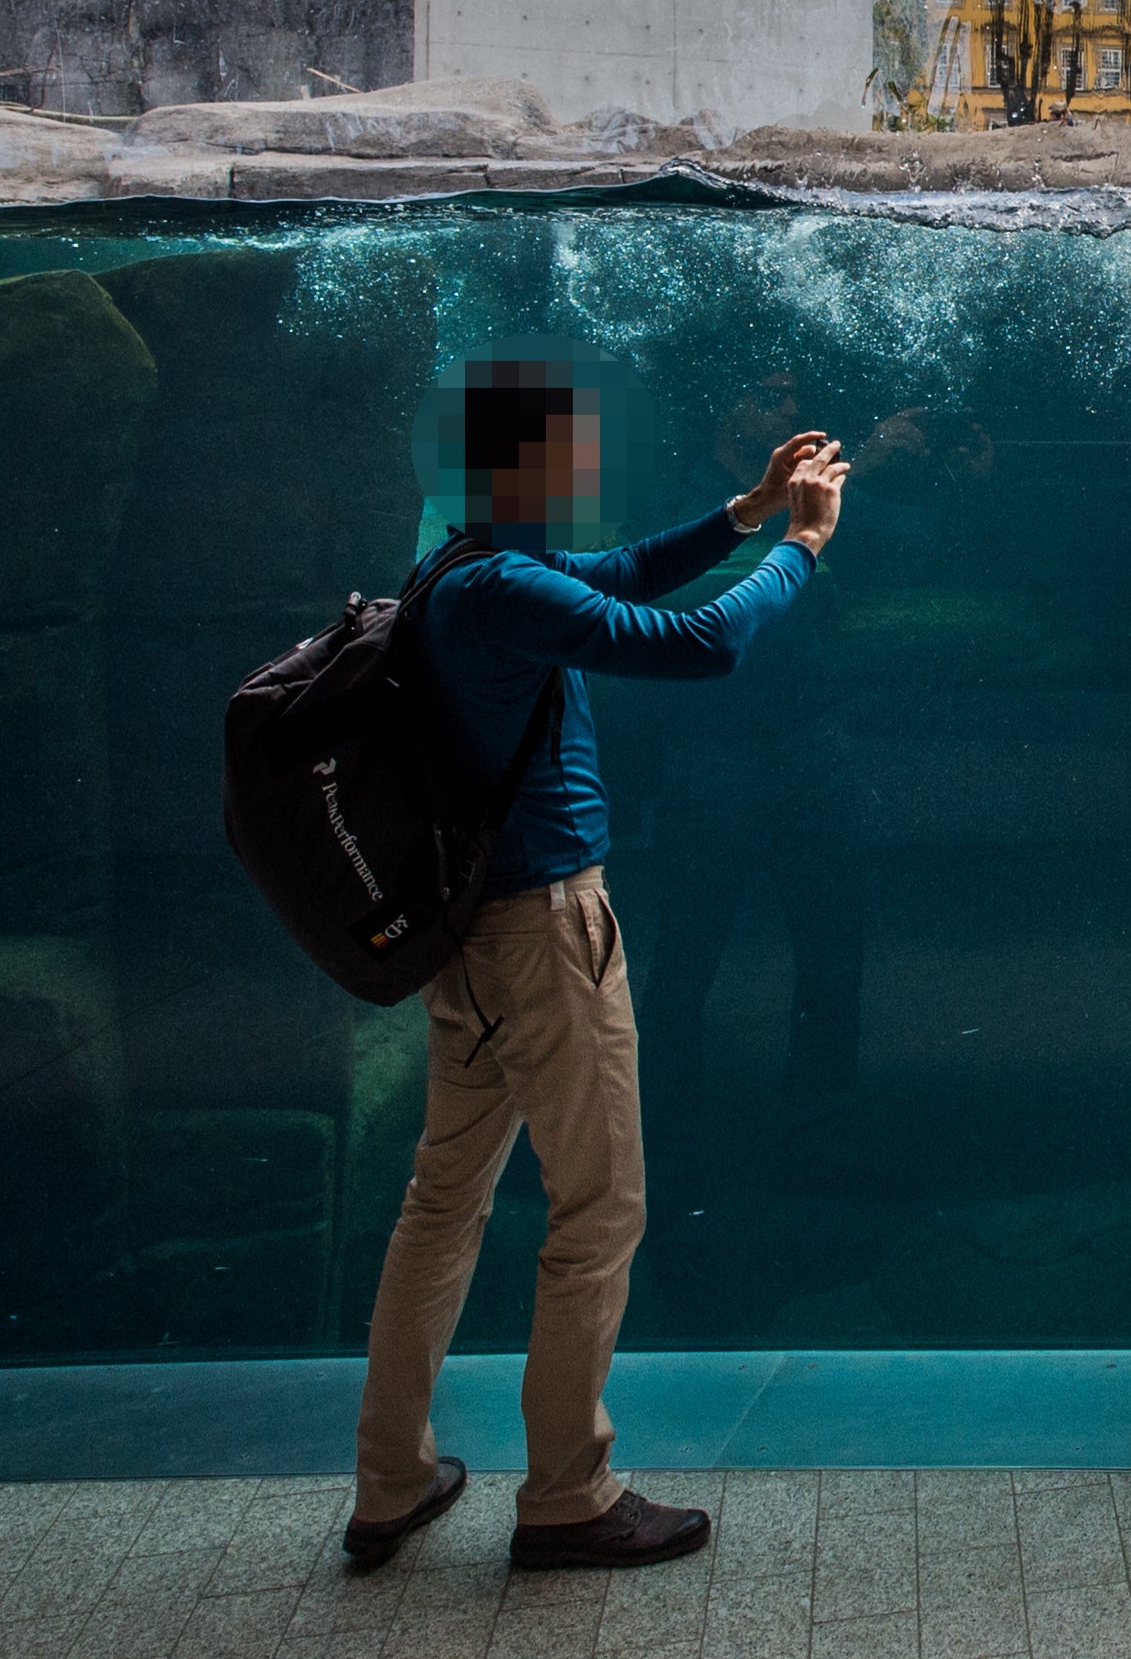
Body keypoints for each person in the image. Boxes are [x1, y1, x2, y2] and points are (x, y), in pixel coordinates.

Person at [341, 363, 850, 1576]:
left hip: (469, 939)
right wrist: (805, 549)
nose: (588, 476)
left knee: (442, 1200)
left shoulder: (459, 572)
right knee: (600, 1207)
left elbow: (615, 579)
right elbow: (699, 645)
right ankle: (568, 1493)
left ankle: (391, 1477)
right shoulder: (504, 583)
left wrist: (742, 512)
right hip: (545, 935)